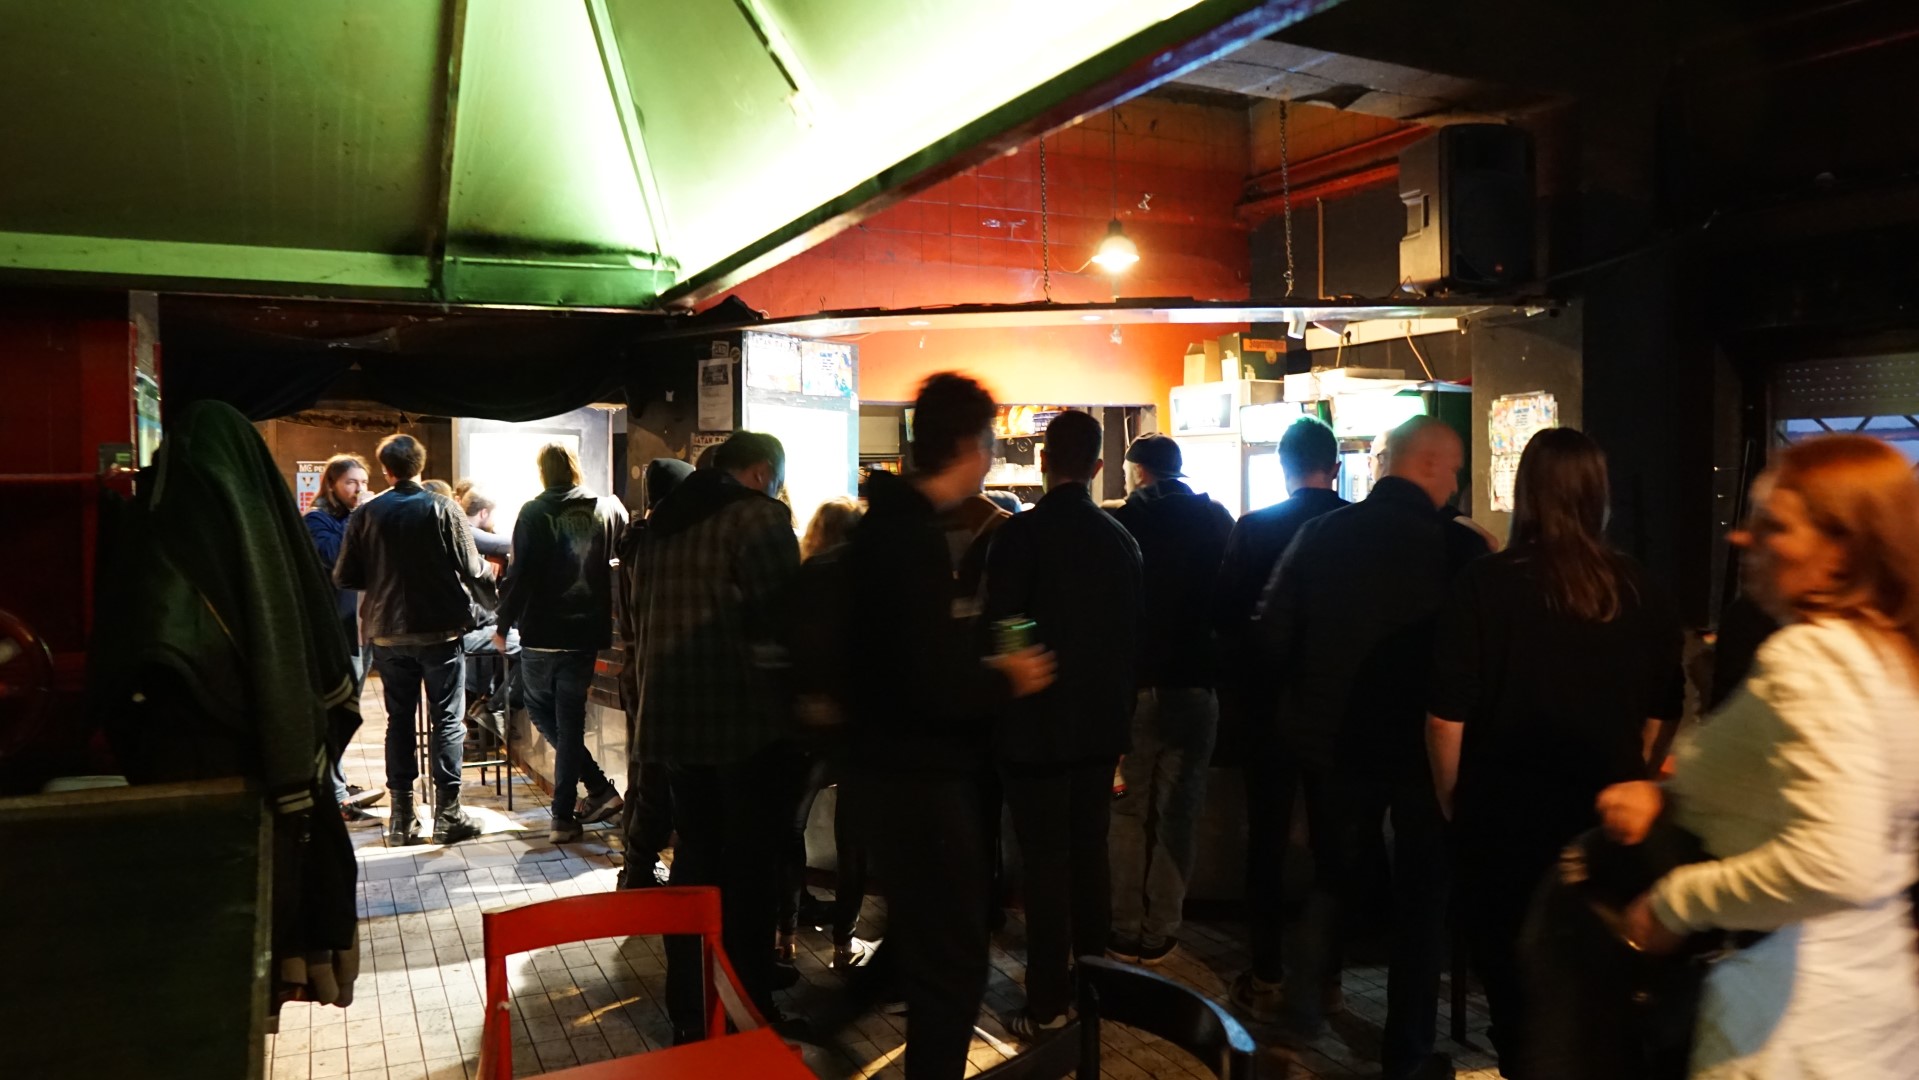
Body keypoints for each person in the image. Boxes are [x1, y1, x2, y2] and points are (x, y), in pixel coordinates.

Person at [1598, 435, 1919, 1079]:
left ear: (1840, 550)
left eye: (1775, 525)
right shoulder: (1889, 656)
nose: (1743, 538)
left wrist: (1674, 903)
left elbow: (1836, 862)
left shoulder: (1812, 661)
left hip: (1783, 1026)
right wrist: (1668, 798)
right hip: (1869, 1011)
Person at [1423, 428, 1684, 1077]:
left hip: (1502, 819)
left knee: (1514, 995)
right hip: (1605, 824)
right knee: (1601, 999)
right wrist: (1636, 774)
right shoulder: (1640, 587)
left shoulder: (1484, 583)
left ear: (1526, 493)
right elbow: (1666, 707)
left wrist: (1454, 799)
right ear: (1598, 495)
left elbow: (1446, 713)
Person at [1258, 415, 1488, 1080]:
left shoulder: (1322, 533)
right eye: (1453, 469)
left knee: (1332, 880)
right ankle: (1405, 1053)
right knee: (1422, 899)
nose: (1455, 482)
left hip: (1334, 745)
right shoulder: (1459, 549)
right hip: (1423, 751)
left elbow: (1270, 635)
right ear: (1428, 464)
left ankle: (1298, 1022)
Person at [841, 373, 1055, 1080]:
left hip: (887, 772)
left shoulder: (884, 526)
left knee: (921, 945)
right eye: (988, 442)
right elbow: (928, 684)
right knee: (955, 963)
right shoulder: (914, 540)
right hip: (922, 781)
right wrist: (1005, 677)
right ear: (967, 445)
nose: (990, 457)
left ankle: (833, 1022)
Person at [629, 432, 802, 1040]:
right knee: (751, 876)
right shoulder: (758, 519)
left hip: (674, 725)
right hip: (746, 725)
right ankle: (750, 1013)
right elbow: (784, 622)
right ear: (760, 472)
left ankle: (691, 1012)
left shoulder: (660, 525)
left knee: (696, 866)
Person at [984, 409, 1142, 1037]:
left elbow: (1004, 623)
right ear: (1099, 466)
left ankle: (1047, 1003)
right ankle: (1095, 991)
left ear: (1045, 461)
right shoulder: (1121, 541)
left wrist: (1021, 665)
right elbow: (1131, 641)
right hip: (1101, 728)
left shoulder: (1020, 535)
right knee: (1090, 856)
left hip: (1036, 727)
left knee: (1045, 863)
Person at [1214, 417, 1348, 1013]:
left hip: (1267, 712)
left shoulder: (1253, 528)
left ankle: (1266, 971)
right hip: (1336, 715)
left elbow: (1226, 619)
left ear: (1282, 468)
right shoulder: (1352, 528)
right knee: (1333, 845)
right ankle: (1328, 975)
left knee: (1265, 844)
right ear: (1334, 466)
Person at [1106, 431, 1233, 966]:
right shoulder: (1217, 519)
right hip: (1196, 685)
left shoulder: (1123, 523)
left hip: (1135, 689)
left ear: (1139, 471)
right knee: (1179, 813)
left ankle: (1123, 929)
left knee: (1126, 811)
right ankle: (1161, 930)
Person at [334, 433, 496, 846]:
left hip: (387, 632)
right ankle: (448, 815)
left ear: (385, 470)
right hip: (440, 628)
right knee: (447, 720)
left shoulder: (366, 513)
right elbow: (471, 565)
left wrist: (381, 575)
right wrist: (489, 591)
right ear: (420, 467)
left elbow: (345, 575)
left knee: (399, 720)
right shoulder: (442, 507)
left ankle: (401, 820)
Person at [494, 443, 629, 843]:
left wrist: (503, 623)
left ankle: (570, 811)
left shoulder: (533, 512)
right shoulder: (607, 507)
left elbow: (519, 574)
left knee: (539, 708)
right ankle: (583, 801)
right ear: (574, 468)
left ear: (543, 472)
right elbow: (626, 548)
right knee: (569, 723)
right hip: (585, 633)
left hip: (542, 632)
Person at [779, 497, 866, 968]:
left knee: (790, 828)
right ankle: (843, 941)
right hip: (854, 726)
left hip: (806, 724)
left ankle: (786, 933)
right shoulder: (865, 582)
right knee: (853, 837)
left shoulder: (803, 577)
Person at [614, 457, 694, 889]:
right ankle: (638, 871)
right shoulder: (655, 542)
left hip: (636, 669)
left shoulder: (636, 539)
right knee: (652, 780)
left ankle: (636, 868)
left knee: (644, 774)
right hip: (652, 672)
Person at [301, 453, 387, 823]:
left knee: (348, 711)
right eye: (351, 482)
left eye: (364, 482)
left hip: (362, 628)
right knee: (336, 713)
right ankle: (333, 795)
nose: (359, 489)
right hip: (337, 631)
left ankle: (333, 783)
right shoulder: (316, 519)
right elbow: (335, 557)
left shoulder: (356, 519)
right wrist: (359, 515)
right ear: (332, 484)